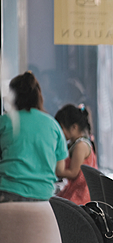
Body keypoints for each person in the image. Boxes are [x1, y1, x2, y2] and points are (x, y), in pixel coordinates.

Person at [0, 71, 68, 203]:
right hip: (43, 197)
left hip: (7, 194)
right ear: (38, 96)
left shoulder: (5, 121)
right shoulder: (53, 125)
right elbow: (60, 169)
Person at [55, 104, 98, 205]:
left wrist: (55, 172)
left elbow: (73, 172)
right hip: (74, 190)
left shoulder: (81, 145)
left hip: (81, 196)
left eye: (61, 128)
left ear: (74, 127)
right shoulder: (75, 144)